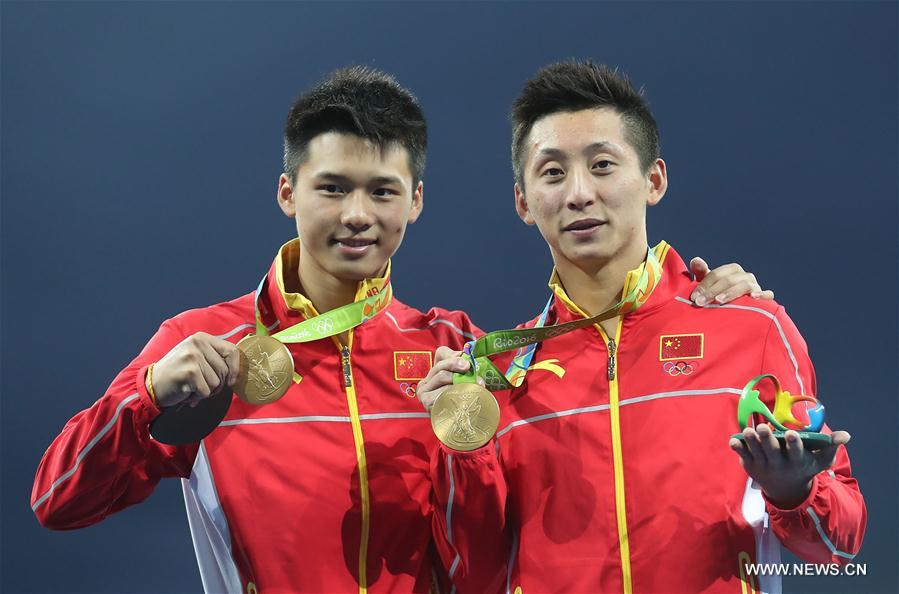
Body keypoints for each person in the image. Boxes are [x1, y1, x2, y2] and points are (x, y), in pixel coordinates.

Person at [32, 65, 770, 594]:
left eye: (382, 191)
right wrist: (145, 403)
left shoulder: (457, 352)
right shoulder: (205, 347)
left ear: (414, 202)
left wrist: (690, 295)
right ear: (288, 192)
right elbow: (58, 502)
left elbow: (507, 551)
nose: (357, 215)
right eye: (332, 188)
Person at [417, 61, 866, 594]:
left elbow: (839, 547)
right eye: (553, 172)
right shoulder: (496, 376)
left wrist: (793, 493)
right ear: (523, 202)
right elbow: (475, 575)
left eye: (603, 165)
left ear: (654, 180)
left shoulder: (751, 327)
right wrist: (461, 446)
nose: (579, 193)